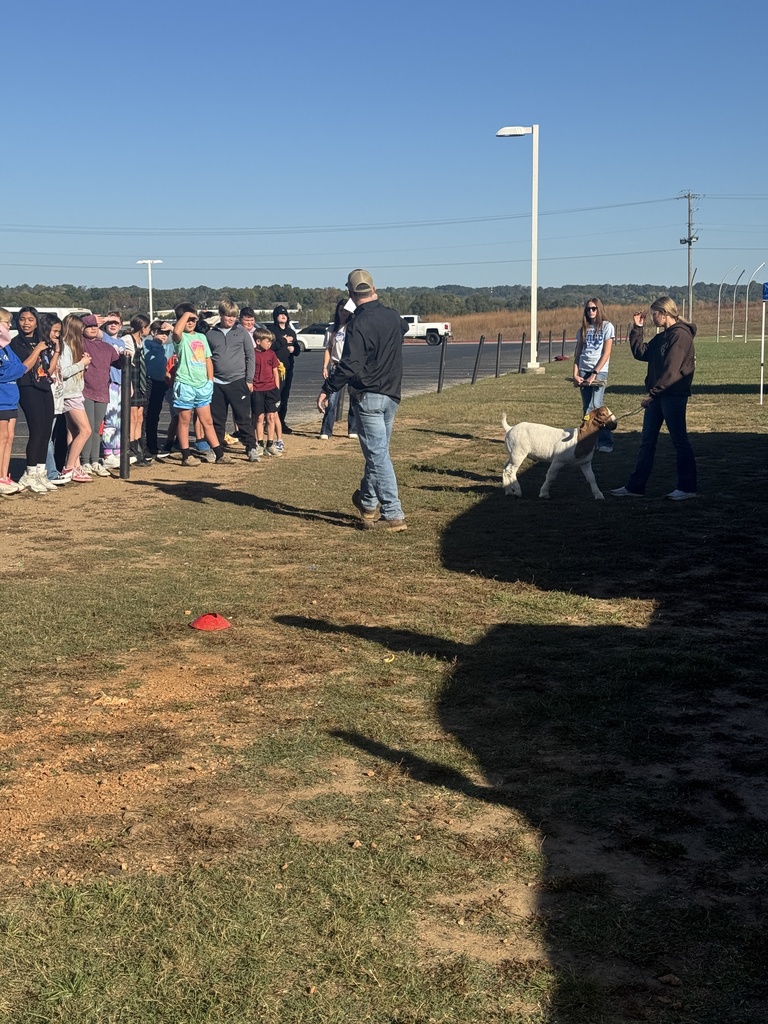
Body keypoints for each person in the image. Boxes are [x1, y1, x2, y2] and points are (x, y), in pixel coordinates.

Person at [318, 269, 408, 531]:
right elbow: (402, 328)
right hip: (391, 394)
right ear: (373, 289)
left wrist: (328, 388)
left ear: (350, 293)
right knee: (377, 452)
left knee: (378, 455)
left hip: (368, 396)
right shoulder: (392, 316)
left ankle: (393, 514)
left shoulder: (358, 323)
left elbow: (350, 365)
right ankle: (368, 503)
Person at [611, 297, 698, 501]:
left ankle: (687, 487)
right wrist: (637, 328)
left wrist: (653, 394)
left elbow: (672, 371)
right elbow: (642, 353)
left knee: (679, 441)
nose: (652, 318)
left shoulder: (680, 336)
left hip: (673, 396)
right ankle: (635, 486)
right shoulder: (663, 336)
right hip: (658, 396)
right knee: (647, 442)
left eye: (653, 314)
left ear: (664, 313)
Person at [171, 303, 232, 466]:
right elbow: (177, 331)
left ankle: (219, 453)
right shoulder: (180, 338)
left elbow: (207, 359)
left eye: (193, 319)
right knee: (184, 420)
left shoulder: (201, 337)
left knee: (207, 421)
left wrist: (209, 380)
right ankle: (185, 454)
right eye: (187, 319)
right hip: (185, 384)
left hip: (202, 385)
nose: (190, 322)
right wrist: (186, 314)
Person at [9, 306, 59, 494]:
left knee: (46, 431)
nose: (26, 323)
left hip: (44, 385)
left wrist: (56, 351)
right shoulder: (16, 343)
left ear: (37, 321)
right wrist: (38, 349)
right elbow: (25, 366)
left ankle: (41, 472)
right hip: (27, 387)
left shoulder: (42, 340)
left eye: (30, 319)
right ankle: (29, 473)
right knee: (36, 430)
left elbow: (48, 368)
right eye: (22, 319)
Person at [206, 300, 259, 461]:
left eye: (234, 316)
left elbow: (251, 356)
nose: (231, 319)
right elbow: (207, 359)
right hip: (217, 383)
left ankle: (251, 447)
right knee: (217, 419)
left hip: (238, 381)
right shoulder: (210, 334)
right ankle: (216, 449)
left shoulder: (241, 332)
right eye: (228, 316)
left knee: (243, 417)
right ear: (221, 315)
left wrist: (249, 379)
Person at [81, 313, 123, 476]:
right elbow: (71, 331)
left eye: (94, 326)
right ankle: (84, 462)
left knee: (98, 428)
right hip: (85, 391)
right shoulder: (79, 343)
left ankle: (94, 461)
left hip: (102, 391)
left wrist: (125, 357)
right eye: (89, 326)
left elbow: (118, 363)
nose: (92, 328)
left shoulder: (107, 347)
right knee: (88, 428)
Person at [573, 297, 614, 453]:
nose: (591, 311)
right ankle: (588, 442)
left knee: (596, 406)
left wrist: (595, 373)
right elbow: (578, 353)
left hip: (599, 371)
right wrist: (576, 373)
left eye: (594, 308)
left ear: (599, 309)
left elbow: (607, 352)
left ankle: (605, 441)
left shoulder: (607, 327)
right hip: (583, 369)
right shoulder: (583, 329)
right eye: (588, 309)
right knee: (586, 407)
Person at [58, 313, 93, 482]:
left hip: (74, 392)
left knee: (73, 430)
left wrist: (81, 363)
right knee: (86, 430)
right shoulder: (64, 347)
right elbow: (63, 372)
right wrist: (82, 364)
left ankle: (75, 466)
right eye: (81, 331)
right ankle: (69, 467)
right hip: (70, 394)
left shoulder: (71, 347)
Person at [320, 299, 359, 440]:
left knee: (354, 399)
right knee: (331, 400)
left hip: (352, 367)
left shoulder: (354, 327)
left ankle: (353, 429)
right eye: (341, 310)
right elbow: (328, 349)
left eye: (346, 310)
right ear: (337, 311)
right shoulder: (331, 329)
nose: (343, 313)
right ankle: (326, 430)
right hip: (337, 367)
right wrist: (325, 366)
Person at [0, 308, 29, 495]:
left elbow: (19, 366)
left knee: (10, 437)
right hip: (1, 400)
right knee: (1, 438)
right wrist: (15, 370)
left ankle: (4, 476)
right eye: (6, 322)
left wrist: (16, 369)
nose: (10, 325)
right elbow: (7, 372)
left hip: (11, 399)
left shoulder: (7, 347)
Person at [122, 314, 152, 466]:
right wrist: (130, 386)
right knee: (132, 417)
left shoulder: (142, 342)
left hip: (140, 381)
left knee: (139, 417)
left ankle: (139, 449)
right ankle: (131, 448)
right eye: (148, 327)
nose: (149, 330)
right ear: (142, 328)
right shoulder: (128, 340)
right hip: (132, 382)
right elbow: (127, 363)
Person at [144, 320, 174, 458]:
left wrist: (172, 329)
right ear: (152, 332)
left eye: (166, 333)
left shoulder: (166, 348)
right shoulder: (146, 343)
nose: (164, 336)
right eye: (161, 333)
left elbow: (179, 339)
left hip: (160, 383)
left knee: (155, 416)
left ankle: (153, 446)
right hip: (147, 381)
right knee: (145, 415)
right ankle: (144, 446)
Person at [250, 328, 281, 457]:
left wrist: (277, 389)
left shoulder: (272, 354)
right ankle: (260, 443)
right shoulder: (252, 354)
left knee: (271, 417)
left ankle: (270, 444)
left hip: (270, 389)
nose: (269, 344)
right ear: (258, 341)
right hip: (257, 390)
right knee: (259, 417)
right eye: (267, 341)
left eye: (270, 342)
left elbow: (275, 371)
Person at [269, 304, 299, 433]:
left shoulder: (291, 331)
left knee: (284, 396)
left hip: (288, 368)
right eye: (280, 314)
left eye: (285, 314)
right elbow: (271, 346)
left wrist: (294, 349)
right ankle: (270, 422)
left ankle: (281, 422)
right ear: (275, 316)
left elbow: (297, 349)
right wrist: (283, 340)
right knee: (275, 396)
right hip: (275, 369)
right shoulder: (272, 331)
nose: (283, 316)